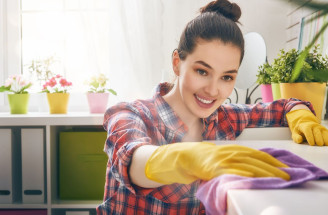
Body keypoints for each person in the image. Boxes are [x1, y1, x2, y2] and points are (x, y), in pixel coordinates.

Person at [97, 0, 328, 214]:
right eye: (202, 71)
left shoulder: (225, 119)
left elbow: (285, 105)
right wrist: (186, 158)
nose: (213, 90)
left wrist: (300, 114)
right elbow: (132, 160)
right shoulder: (131, 114)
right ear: (177, 63)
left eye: (227, 77)